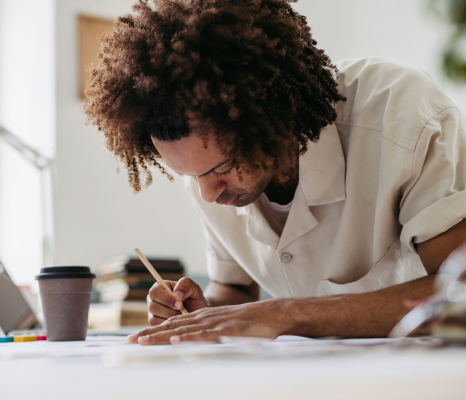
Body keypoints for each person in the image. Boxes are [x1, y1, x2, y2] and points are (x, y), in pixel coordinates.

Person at [83, 0, 466, 344]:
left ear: (273, 120)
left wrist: (287, 314)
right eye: (189, 175)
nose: (208, 194)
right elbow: (234, 291)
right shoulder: (207, 179)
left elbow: (459, 294)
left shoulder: (400, 115)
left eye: (223, 167)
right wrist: (197, 314)